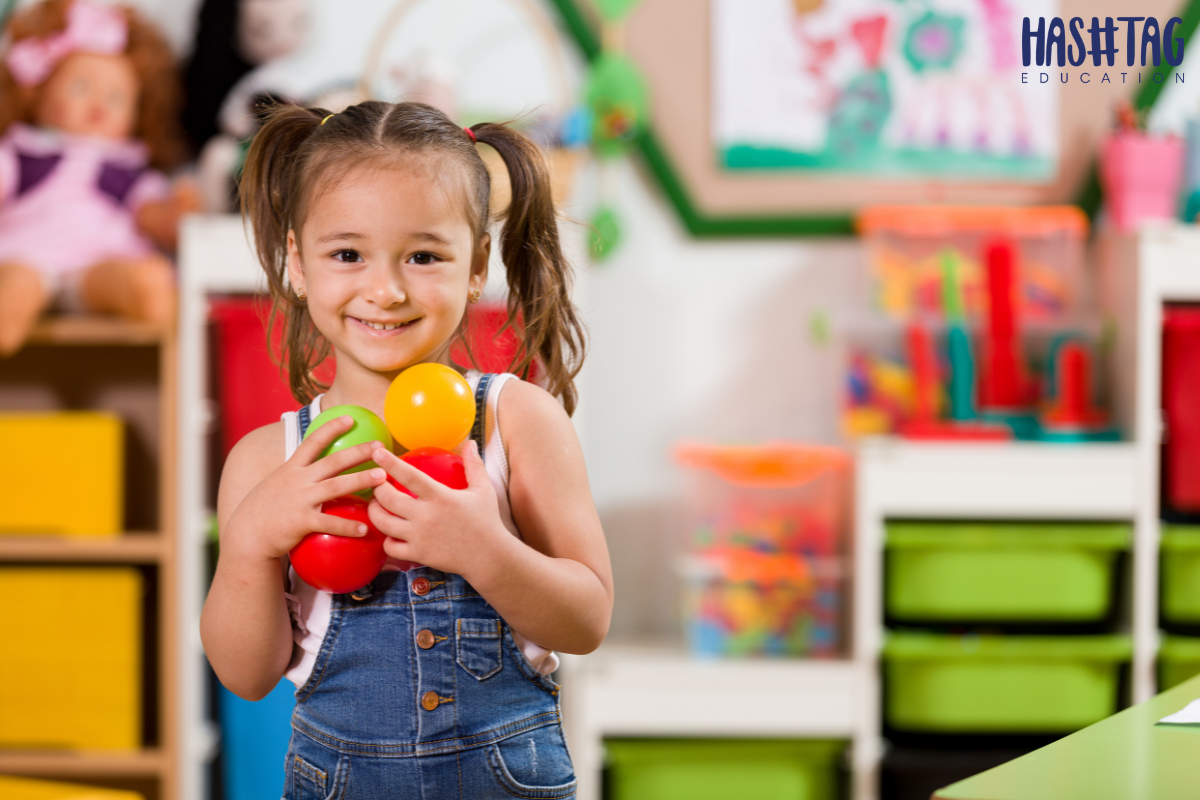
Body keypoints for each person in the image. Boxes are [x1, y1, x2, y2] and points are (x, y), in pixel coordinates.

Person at [200, 100, 611, 799]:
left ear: (476, 264)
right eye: (347, 255)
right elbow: (247, 675)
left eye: (423, 256)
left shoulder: (517, 422)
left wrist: (486, 550)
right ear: (297, 262)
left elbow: (586, 619)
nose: (385, 291)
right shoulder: (267, 460)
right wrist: (250, 545)